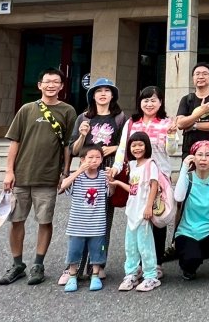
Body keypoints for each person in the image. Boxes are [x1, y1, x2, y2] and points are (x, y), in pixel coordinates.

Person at [0, 69, 77, 286]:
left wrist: (65, 172)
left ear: (62, 86)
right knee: (16, 221)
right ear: (39, 85)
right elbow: (15, 142)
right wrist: (9, 171)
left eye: (56, 82)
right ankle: (17, 264)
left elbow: (68, 146)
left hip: (48, 176)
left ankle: (38, 264)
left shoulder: (68, 111)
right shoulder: (26, 109)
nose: (51, 85)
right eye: (47, 81)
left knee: (45, 220)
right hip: (21, 176)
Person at [63, 77, 124, 283]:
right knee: (80, 218)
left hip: (106, 173)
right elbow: (74, 149)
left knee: (103, 220)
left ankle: (97, 265)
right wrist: (82, 135)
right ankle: (74, 266)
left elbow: (126, 144)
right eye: (99, 91)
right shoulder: (83, 118)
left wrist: (115, 148)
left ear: (113, 95)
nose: (103, 94)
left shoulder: (119, 118)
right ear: (93, 95)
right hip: (86, 174)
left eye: (107, 90)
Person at [113, 86, 175, 279]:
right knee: (137, 220)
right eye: (146, 100)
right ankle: (139, 262)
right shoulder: (132, 123)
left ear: (161, 103)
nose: (149, 104)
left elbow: (172, 151)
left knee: (157, 218)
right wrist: (116, 167)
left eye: (154, 100)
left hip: (159, 178)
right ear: (140, 102)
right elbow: (123, 148)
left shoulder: (166, 122)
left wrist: (172, 134)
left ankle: (156, 263)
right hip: (136, 179)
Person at [109, 131, 162, 293]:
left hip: (143, 213)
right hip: (131, 211)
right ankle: (131, 273)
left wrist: (148, 207)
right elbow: (134, 188)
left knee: (145, 245)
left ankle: (151, 276)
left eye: (140, 145)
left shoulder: (150, 164)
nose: (137, 148)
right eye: (133, 145)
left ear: (146, 146)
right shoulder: (132, 165)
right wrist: (117, 182)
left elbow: (154, 185)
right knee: (130, 246)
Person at [173, 140, 209, 280]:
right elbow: (178, 197)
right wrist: (183, 169)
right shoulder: (188, 177)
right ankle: (189, 263)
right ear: (193, 157)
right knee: (191, 260)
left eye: (208, 155)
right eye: (199, 154)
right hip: (187, 232)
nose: (203, 159)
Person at [58, 146, 109, 292]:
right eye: (90, 157)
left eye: (98, 157)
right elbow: (63, 185)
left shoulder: (103, 175)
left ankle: (95, 275)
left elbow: (110, 192)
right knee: (74, 250)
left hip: (97, 223)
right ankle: (72, 276)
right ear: (82, 159)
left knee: (98, 250)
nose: (94, 160)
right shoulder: (78, 176)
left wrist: (111, 181)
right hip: (77, 223)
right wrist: (79, 170)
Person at [176, 62, 209, 165]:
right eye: (197, 74)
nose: (201, 76)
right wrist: (199, 113)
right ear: (193, 78)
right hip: (190, 153)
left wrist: (194, 125)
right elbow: (180, 124)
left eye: (205, 74)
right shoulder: (186, 100)